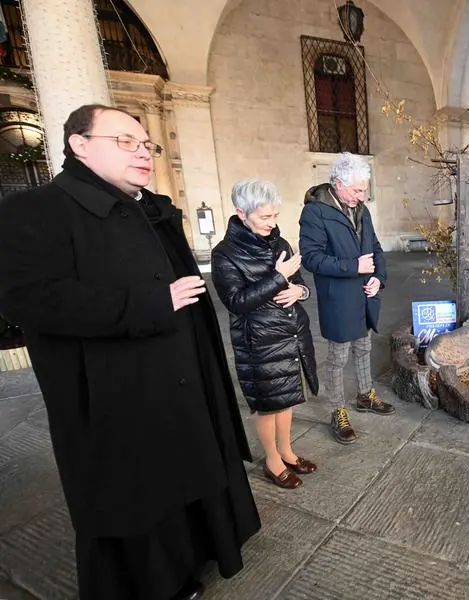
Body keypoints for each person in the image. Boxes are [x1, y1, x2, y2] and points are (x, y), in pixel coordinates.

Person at [0, 104, 260, 600]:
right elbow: (29, 298)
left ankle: (203, 550)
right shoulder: (34, 210)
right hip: (112, 388)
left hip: (180, 372)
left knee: (187, 469)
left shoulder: (150, 207)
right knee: (137, 491)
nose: (143, 152)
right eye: (126, 141)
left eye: (147, 144)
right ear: (79, 144)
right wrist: (146, 305)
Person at [211, 179, 320, 489]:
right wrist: (277, 278)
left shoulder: (279, 242)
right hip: (258, 340)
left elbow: (300, 282)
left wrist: (298, 290)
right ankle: (272, 460)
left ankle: (286, 450)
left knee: (286, 399)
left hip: (290, 333)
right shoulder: (225, 254)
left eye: (275, 216)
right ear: (241, 213)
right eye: (264, 217)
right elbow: (236, 302)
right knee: (268, 404)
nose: (272, 224)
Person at [299, 152, 393, 445]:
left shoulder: (361, 208)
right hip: (338, 298)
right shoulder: (315, 212)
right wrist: (353, 267)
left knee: (364, 347)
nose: (362, 195)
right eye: (357, 190)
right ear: (338, 184)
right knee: (338, 357)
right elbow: (311, 259)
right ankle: (337, 410)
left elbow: (375, 247)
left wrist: (379, 276)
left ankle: (366, 394)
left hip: (365, 293)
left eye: (364, 189)